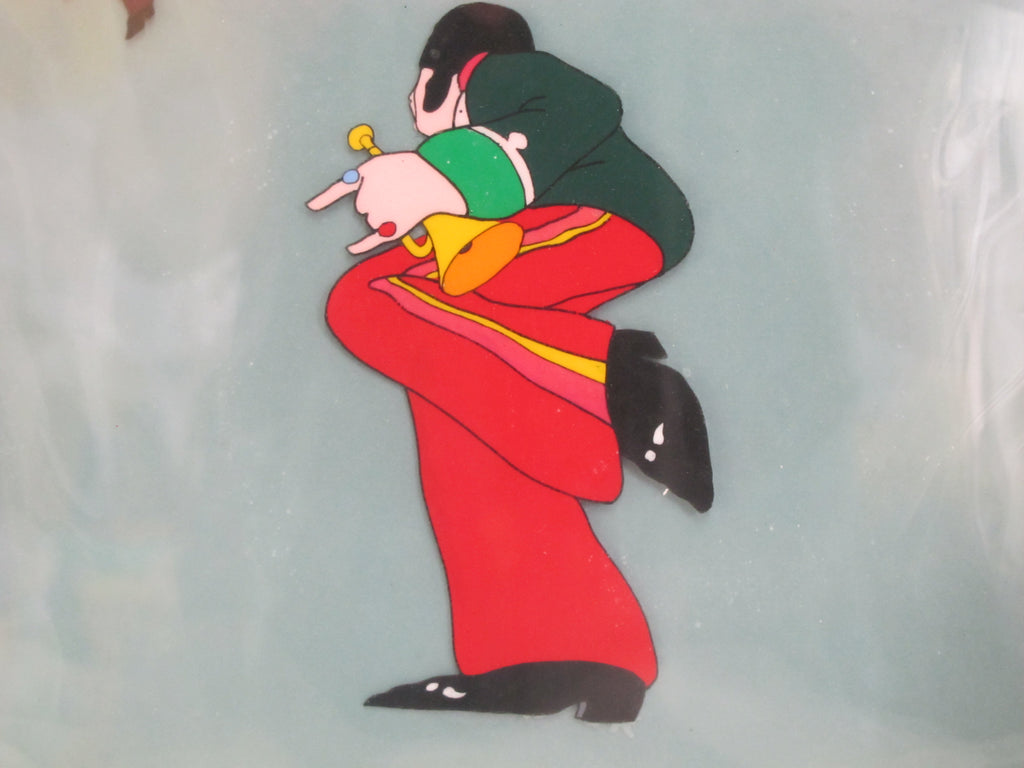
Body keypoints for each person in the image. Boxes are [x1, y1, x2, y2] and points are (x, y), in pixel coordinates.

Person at [307, 3, 712, 723]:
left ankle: (615, 389)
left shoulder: (494, 75)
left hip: (609, 216)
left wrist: (443, 174)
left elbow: (585, 103)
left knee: (372, 296)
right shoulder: (474, 138)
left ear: (439, 73)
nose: (414, 109)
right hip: (544, 238)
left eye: (418, 88)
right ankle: (563, 658)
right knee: (466, 411)